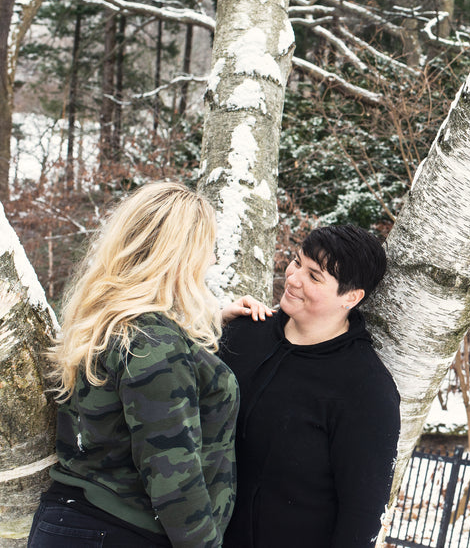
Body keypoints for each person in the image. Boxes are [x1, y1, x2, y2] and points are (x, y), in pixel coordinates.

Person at [27, 182, 238, 548]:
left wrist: (216, 318)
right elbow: (172, 473)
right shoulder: (153, 343)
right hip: (118, 532)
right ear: (181, 254)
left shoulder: (106, 321)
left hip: (69, 521)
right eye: (209, 248)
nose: (213, 260)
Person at [219, 224, 400, 548]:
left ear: (351, 297)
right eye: (296, 261)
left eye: (314, 276)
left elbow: (360, 516)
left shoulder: (366, 389)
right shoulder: (244, 333)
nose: (293, 278)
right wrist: (213, 323)